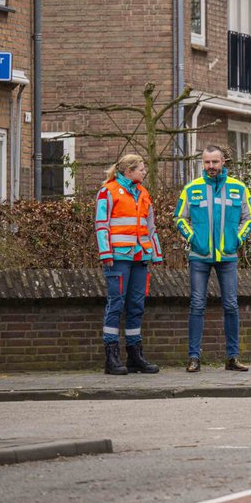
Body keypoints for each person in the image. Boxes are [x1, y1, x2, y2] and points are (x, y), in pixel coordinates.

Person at [174, 144, 251, 372]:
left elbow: (250, 217)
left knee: (231, 305)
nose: (211, 166)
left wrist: (237, 239)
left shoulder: (239, 188)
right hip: (199, 256)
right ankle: (194, 357)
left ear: (223, 162)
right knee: (197, 305)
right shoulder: (191, 188)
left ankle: (232, 358)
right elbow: (179, 218)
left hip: (228, 256)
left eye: (215, 162)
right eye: (207, 162)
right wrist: (193, 238)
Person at [95, 152, 162, 375]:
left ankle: (135, 356)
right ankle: (111, 356)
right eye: (141, 169)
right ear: (128, 171)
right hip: (118, 258)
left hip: (140, 257)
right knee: (116, 304)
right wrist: (105, 252)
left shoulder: (143, 193)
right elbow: (101, 224)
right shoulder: (108, 191)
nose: (144, 172)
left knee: (136, 306)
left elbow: (150, 226)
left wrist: (156, 254)